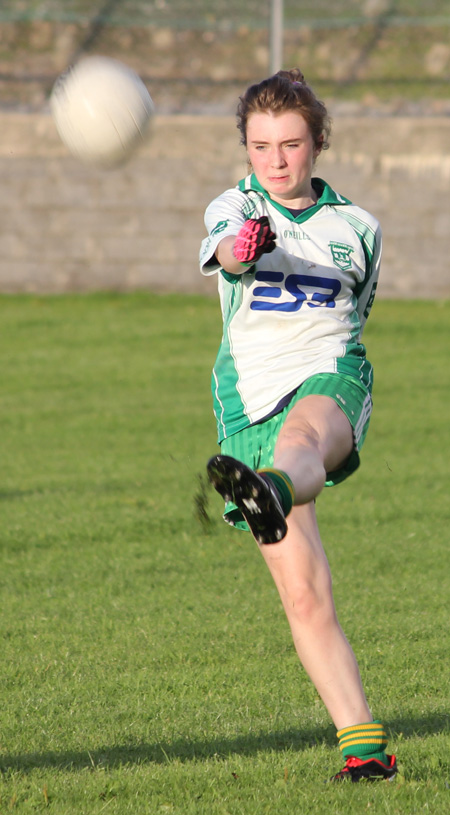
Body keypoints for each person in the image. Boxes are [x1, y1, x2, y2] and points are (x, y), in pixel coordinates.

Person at [199, 68, 397, 783]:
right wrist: (241, 248)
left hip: (330, 377)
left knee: (301, 443)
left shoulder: (359, 228)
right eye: (260, 146)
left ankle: (275, 486)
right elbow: (226, 250)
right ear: (246, 148)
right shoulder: (236, 207)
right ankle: (364, 747)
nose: (276, 160)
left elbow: (359, 307)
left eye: (290, 144)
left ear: (318, 143)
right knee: (304, 592)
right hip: (249, 403)